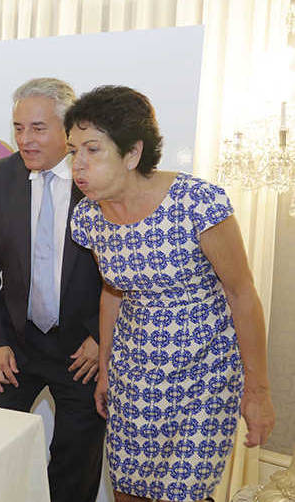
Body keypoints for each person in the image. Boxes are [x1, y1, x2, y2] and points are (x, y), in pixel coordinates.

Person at [66, 85, 275, 502]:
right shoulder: (88, 217)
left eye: (93, 150)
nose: (78, 164)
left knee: (183, 494)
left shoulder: (198, 203)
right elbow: (113, 291)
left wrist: (257, 391)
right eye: (73, 151)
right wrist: (107, 367)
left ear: (131, 153)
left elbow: (242, 295)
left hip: (205, 372)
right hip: (134, 371)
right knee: (128, 488)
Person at [0, 78, 106, 502]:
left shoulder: (100, 181)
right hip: (13, 344)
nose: (25, 140)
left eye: (38, 128)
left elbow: (124, 271)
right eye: (18, 128)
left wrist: (103, 339)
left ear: (70, 130)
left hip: (83, 350)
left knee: (74, 467)